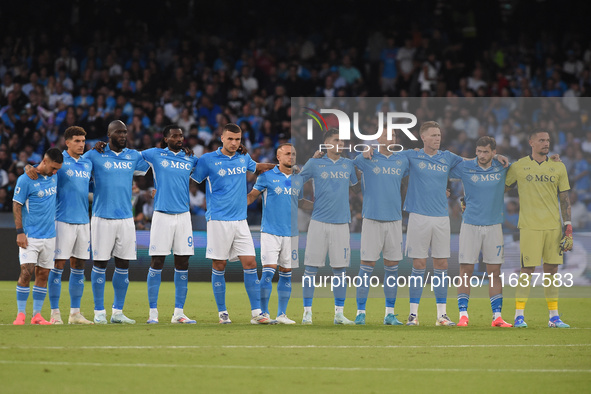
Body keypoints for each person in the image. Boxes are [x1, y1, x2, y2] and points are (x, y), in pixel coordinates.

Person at [400, 121, 508, 326]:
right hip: (418, 216)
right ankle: (413, 314)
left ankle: (442, 315)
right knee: (419, 264)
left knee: (441, 264)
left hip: (442, 217)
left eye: (439, 135)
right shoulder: (411, 155)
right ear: (423, 137)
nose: (437, 138)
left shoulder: (448, 157)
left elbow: (473, 161)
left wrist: (498, 156)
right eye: (432, 135)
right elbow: (391, 161)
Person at [191, 123, 275, 324]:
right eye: (230, 139)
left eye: (237, 139)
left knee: (251, 263)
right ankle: (223, 313)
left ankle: (257, 314)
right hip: (218, 219)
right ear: (222, 138)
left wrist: (282, 167)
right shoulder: (207, 160)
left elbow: (257, 167)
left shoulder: (243, 157)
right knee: (219, 265)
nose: (234, 143)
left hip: (240, 220)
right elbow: (191, 177)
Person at [83, 120, 149, 324]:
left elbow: (156, 160)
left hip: (126, 218)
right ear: (108, 134)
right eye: (118, 132)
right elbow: (75, 163)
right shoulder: (95, 154)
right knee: (100, 263)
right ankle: (99, 312)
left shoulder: (134, 156)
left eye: (125, 132)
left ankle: (117, 312)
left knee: (123, 264)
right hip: (102, 217)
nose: (123, 135)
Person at [505, 130, 572, 328]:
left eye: (548, 140)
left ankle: (554, 317)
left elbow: (565, 199)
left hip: (553, 226)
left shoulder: (558, 167)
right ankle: (519, 316)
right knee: (527, 270)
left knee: (552, 270)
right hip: (529, 226)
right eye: (541, 140)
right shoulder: (519, 166)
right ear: (531, 142)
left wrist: (567, 226)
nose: (546, 143)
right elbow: (501, 187)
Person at [450, 136, 512, 327]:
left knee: (494, 271)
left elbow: (524, 168)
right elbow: (444, 165)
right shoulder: (465, 166)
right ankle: (463, 315)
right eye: (479, 151)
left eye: (486, 152)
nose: (482, 155)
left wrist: (501, 156)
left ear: (493, 152)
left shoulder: (502, 166)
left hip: (494, 225)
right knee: (465, 270)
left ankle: (497, 317)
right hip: (470, 225)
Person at [247, 143, 312, 324]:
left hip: (291, 234)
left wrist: (321, 207)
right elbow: (253, 195)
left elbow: (299, 202)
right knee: (268, 273)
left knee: (287, 273)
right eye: (287, 154)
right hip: (270, 232)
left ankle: (282, 314)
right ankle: (264, 314)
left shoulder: (298, 180)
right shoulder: (266, 177)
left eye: (294, 154)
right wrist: (239, 202)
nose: (291, 157)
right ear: (278, 157)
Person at [299, 128, 359, 325]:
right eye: (336, 140)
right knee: (310, 268)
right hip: (318, 222)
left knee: (340, 269)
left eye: (342, 141)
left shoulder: (349, 164)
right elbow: (298, 182)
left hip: (341, 223)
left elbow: (355, 187)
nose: (340, 144)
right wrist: (302, 203)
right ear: (326, 143)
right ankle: (307, 313)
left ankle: (339, 314)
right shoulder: (314, 163)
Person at [141, 125, 199, 324]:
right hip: (162, 215)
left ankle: (178, 313)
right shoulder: (154, 154)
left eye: (181, 136)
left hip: (183, 216)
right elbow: (130, 157)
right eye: (174, 136)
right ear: (165, 138)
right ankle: (153, 314)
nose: (179, 139)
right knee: (157, 262)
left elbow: (207, 168)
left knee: (183, 263)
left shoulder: (190, 158)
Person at [353, 130, 409, 325]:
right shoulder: (366, 157)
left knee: (392, 268)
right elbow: (349, 169)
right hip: (372, 219)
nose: (391, 138)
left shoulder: (402, 160)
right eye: (387, 135)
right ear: (378, 139)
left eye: (394, 135)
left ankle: (389, 314)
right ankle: (360, 312)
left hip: (394, 219)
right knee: (366, 266)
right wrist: (366, 151)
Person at [47, 127, 94, 325]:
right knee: (57, 266)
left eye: (83, 140)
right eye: (76, 140)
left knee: (79, 266)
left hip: (83, 221)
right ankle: (55, 312)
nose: (81, 144)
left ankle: (75, 313)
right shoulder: (60, 161)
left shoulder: (87, 163)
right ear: (67, 142)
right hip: (62, 220)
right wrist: (28, 169)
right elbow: (39, 169)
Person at [13, 148, 63, 325]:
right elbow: (17, 205)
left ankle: (37, 315)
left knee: (43, 275)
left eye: (58, 168)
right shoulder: (26, 179)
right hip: (30, 237)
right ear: (45, 161)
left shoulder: (54, 175)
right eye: (54, 167)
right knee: (26, 273)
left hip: (50, 236)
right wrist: (20, 232)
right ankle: (20, 314)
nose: (56, 171)